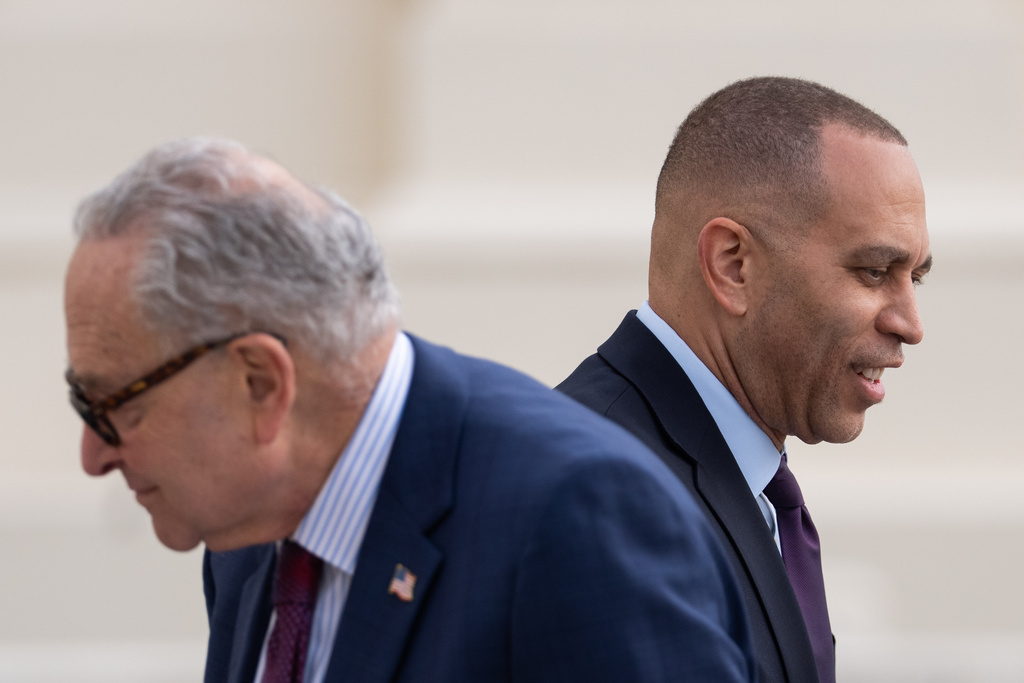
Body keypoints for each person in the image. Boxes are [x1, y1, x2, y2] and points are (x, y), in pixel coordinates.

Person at [63, 138, 756, 683]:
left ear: (260, 383)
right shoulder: (246, 531)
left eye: (111, 404)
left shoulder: (578, 515)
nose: (93, 455)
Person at [558, 76, 932, 683]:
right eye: (873, 271)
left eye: (915, 277)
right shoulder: (601, 495)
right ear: (733, 265)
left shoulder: (734, 483)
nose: (910, 325)